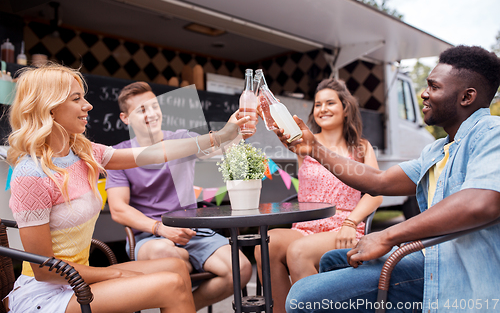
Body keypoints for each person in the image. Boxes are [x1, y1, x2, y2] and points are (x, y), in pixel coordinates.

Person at [5, 63, 249, 313]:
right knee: (172, 283)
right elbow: (46, 271)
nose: (88, 106)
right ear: (50, 108)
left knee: (174, 268)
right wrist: (114, 274)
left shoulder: (83, 152)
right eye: (76, 99)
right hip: (50, 293)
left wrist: (222, 135)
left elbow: (156, 153)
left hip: (79, 277)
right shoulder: (31, 174)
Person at [278, 45, 500, 313]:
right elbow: (379, 181)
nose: (424, 93)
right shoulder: (437, 150)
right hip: (429, 256)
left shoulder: (491, 133)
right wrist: (314, 149)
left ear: (467, 97)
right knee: (332, 261)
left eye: (434, 86)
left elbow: (480, 202)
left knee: (302, 297)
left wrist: (387, 236)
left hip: (456, 269)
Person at [105, 81, 252, 310]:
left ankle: (185, 307)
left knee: (240, 268)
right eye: (142, 109)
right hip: (151, 237)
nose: (152, 113)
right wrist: (160, 229)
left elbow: (217, 147)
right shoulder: (120, 155)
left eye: (154, 106)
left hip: (195, 231)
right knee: (168, 255)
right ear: (125, 118)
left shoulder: (181, 138)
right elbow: (118, 209)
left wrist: (239, 129)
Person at [254, 78, 382, 313]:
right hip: (306, 226)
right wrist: (271, 114)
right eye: (318, 104)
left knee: (298, 251)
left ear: (345, 107)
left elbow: (376, 193)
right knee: (266, 244)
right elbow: (284, 130)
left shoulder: (362, 147)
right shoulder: (306, 141)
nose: (323, 109)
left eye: (330, 103)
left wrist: (350, 223)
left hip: (343, 228)